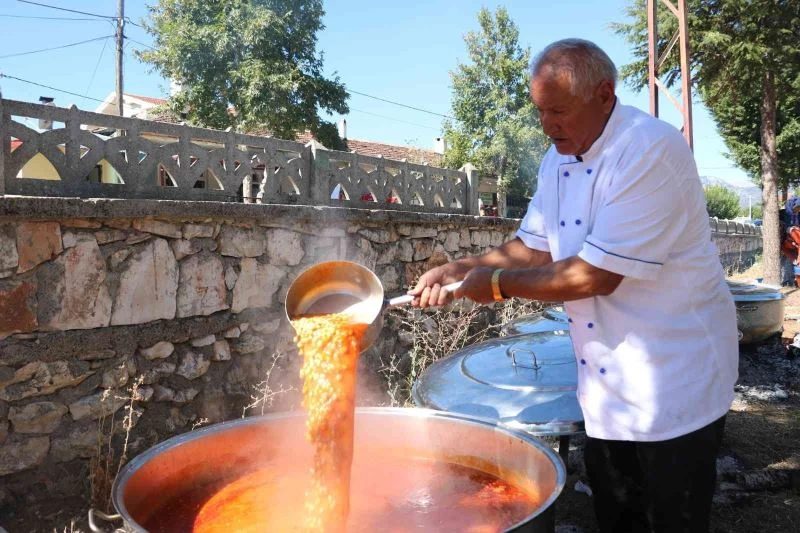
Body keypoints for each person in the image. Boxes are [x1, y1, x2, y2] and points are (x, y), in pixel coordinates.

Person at [409, 38, 738, 533]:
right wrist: (460, 268)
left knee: (671, 518)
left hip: (673, 378)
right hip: (606, 385)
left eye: (558, 111)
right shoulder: (557, 157)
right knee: (616, 510)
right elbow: (533, 247)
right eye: (541, 111)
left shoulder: (650, 150)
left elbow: (595, 275)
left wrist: (495, 285)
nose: (547, 125)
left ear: (604, 94)